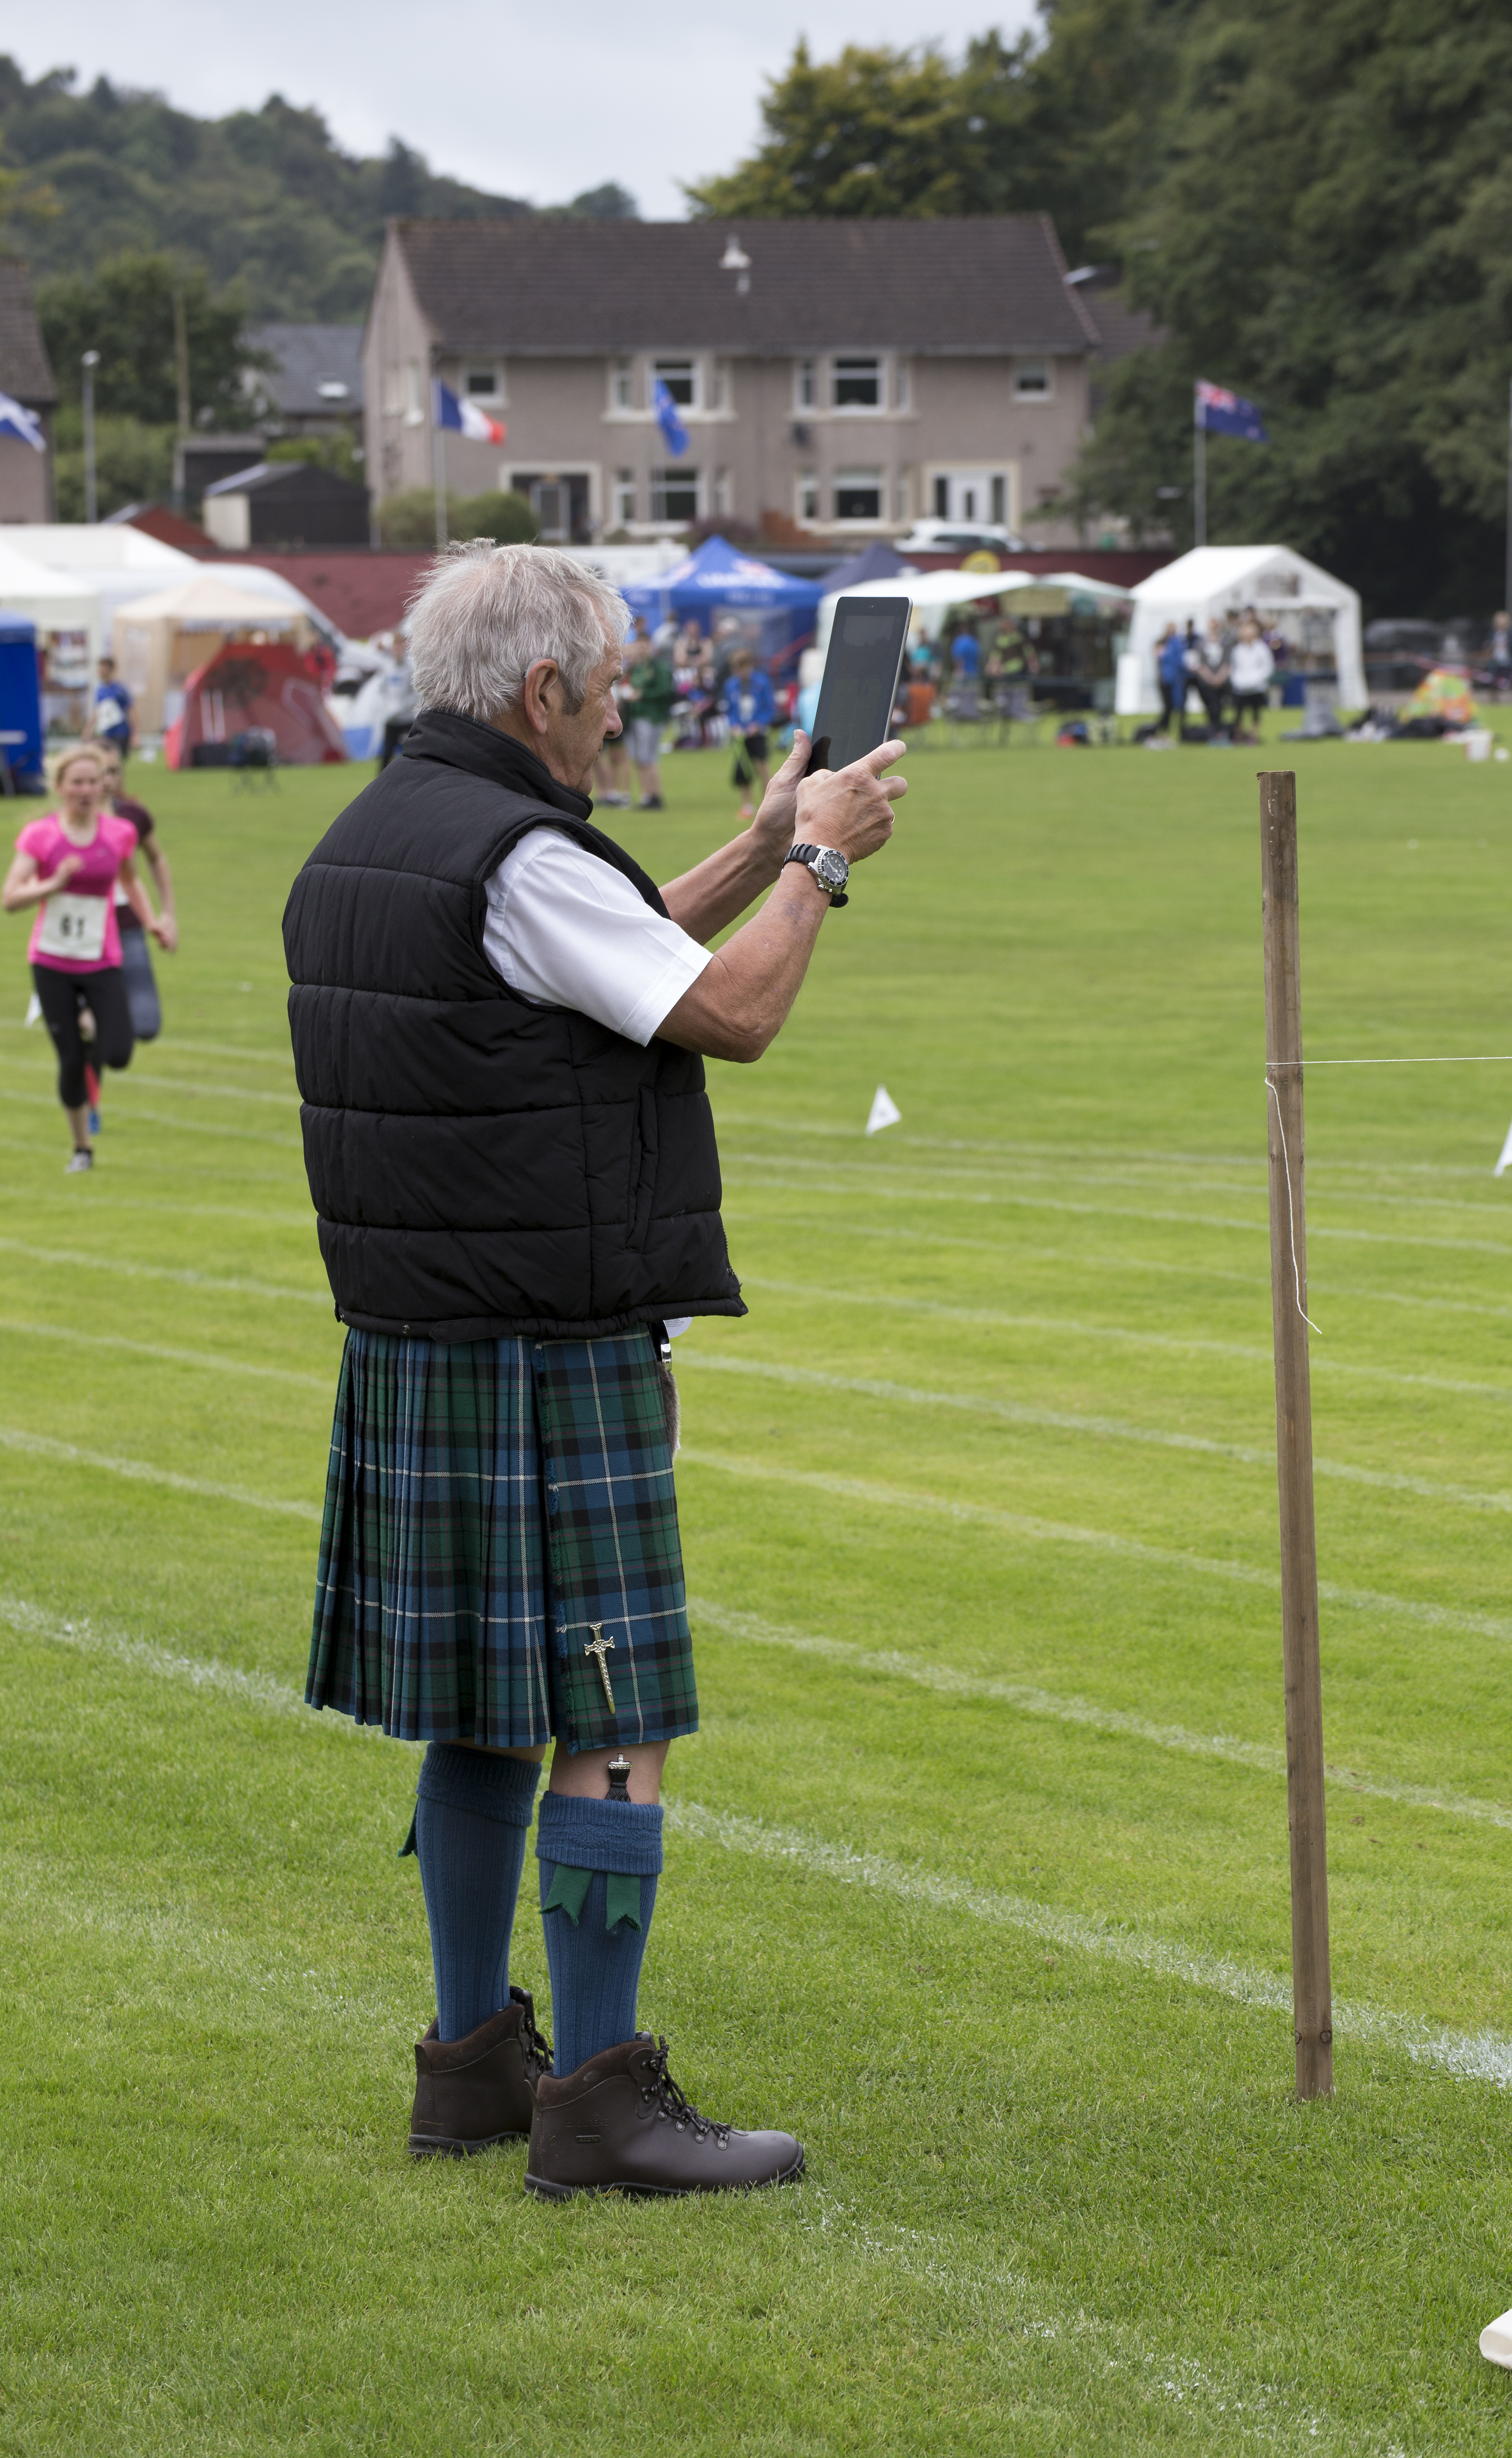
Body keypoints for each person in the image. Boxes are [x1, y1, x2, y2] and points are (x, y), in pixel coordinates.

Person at [283, 542, 904, 2200]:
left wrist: (758, 839)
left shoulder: (380, 835)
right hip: (546, 1332)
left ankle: (472, 2064)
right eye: (612, 685)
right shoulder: (519, 852)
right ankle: (600, 2104)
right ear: (541, 689)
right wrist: (819, 869)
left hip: (425, 1330)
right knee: (613, 1714)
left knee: (481, 1710)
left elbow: (609, 951)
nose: (621, 710)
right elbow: (731, 1011)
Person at [4, 744, 160, 1171]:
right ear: (60, 786)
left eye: (94, 781)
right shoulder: (40, 836)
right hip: (51, 960)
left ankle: (89, 1025)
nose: (87, 789)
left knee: (119, 1053)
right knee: (71, 1062)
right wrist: (53, 883)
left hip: (101, 958)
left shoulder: (119, 833)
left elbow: (131, 879)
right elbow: (10, 898)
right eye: (77, 782)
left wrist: (152, 922)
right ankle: (82, 1148)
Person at [99, 745, 178, 1041]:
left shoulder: (132, 817)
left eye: (113, 771)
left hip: (127, 924)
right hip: (85, 933)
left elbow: (156, 860)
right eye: (101, 772)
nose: (107, 780)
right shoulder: (65, 823)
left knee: (145, 1025)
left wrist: (167, 915)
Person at [624, 628, 675, 810]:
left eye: (644, 645)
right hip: (636, 716)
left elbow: (665, 691)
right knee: (640, 758)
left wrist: (643, 695)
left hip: (652, 717)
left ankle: (655, 796)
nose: (641, 649)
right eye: (639, 646)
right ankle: (647, 795)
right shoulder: (636, 667)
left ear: (651, 646)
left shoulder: (658, 667)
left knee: (648, 758)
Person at [722, 646, 775, 819]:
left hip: (757, 734)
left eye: (741, 668)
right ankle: (747, 806)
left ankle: (769, 805)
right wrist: (734, 725)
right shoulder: (731, 685)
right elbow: (730, 710)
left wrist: (758, 725)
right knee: (743, 769)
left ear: (749, 666)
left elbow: (769, 708)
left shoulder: (762, 682)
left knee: (762, 767)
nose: (738, 672)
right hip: (740, 735)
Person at [378, 630, 419, 770]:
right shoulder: (387, 667)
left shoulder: (411, 668)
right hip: (391, 719)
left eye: (400, 646)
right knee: (386, 754)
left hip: (406, 719)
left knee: (409, 753)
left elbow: (416, 694)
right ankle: (381, 781)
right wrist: (386, 708)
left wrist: (401, 707)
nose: (398, 649)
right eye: (396, 646)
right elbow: (382, 691)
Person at [1229, 615, 1274, 738]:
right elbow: (1234, 668)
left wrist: (1257, 680)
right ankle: (1239, 736)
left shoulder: (1262, 649)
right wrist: (1237, 681)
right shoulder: (1238, 650)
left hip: (1257, 688)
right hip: (1241, 688)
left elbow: (1268, 667)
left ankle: (1254, 736)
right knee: (1238, 713)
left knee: (1256, 713)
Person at [84, 656, 133, 756]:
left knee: (116, 760)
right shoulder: (100, 690)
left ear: (110, 669)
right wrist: (88, 732)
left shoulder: (120, 689)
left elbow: (132, 710)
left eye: (102, 669)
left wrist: (135, 734)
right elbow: (97, 712)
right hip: (106, 733)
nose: (99, 671)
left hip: (121, 733)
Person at [1190, 619, 1231, 738]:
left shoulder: (1225, 643)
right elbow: (1200, 663)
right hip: (1206, 682)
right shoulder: (1201, 643)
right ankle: (1213, 732)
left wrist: (1220, 678)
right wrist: (1211, 678)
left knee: (1220, 708)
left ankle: (1218, 732)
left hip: (1221, 682)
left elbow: (1227, 662)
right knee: (1210, 708)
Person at [1156, 622, 1188, 735]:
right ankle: (1162, 731)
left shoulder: (1178, 642)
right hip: (1166, 680)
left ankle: (1181, 732)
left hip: (1177, 680)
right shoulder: (1162, 643)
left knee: (1180, 708)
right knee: (1168, 708)